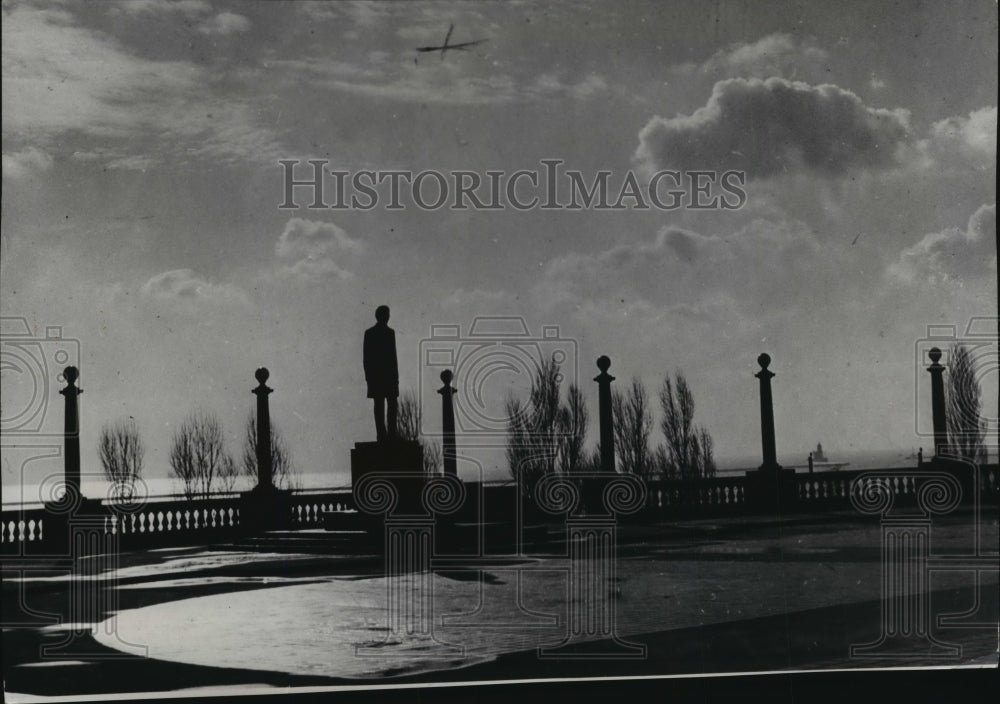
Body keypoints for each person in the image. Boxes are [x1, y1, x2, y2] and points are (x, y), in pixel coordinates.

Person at [364, 305, 399, 441]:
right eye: (387, 314)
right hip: (383, 376)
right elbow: (367, 358)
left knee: (385, 404)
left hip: (381, 377)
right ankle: (386, 434)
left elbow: (393, 357)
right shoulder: (376, 333)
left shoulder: (384, 333)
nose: (389, 316)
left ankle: (386, 434)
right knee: (384, 404)